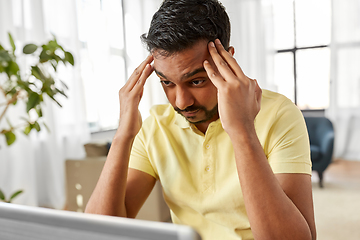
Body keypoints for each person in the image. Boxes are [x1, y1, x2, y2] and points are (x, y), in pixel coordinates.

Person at [85, 0, 316, 239]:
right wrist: (123, 135)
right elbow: (97, 232)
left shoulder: (279, 114)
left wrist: (242, 131)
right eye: (167, 83)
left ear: (228, 61)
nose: (181, 102)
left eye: (196, 81)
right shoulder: (156, 126)